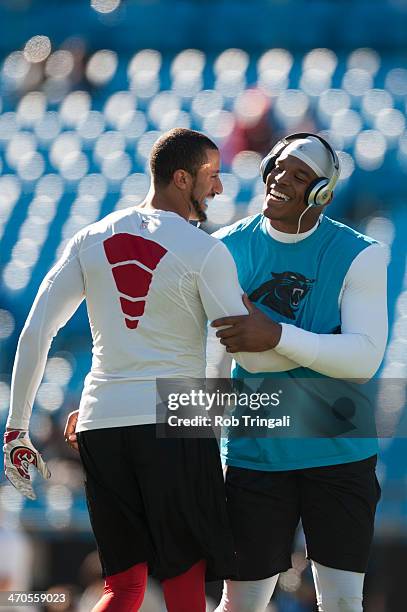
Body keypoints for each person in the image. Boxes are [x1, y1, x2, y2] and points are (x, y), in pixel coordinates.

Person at [3, 127, 286, 612]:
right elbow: (241, 346)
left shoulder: (91, 237)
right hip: (172, 418)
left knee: (124, 588)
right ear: (182, 178)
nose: (219, 188)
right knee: (183, 586)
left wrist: (16, 429)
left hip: (100, 420)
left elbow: (35, 333)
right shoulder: (206, 250)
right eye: (211, 176)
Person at [209, 133, 388, 612]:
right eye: (279, 168)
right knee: (242, 601)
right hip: (255, 447)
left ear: (322, 193)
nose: (281, 180)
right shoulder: (223, 248)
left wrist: (275, 337)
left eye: (300, 175)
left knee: (343, 602)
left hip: (338, 448)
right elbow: (222, 357)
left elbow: (364, 360)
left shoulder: (362, 253)